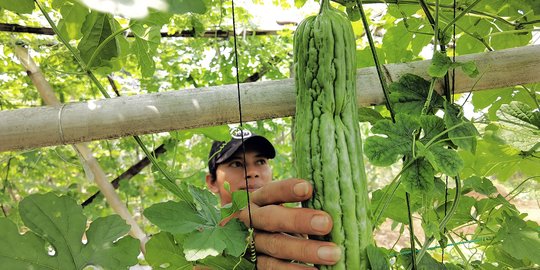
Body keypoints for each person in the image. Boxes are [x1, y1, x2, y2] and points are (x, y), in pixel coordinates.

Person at [205, 131, 341, 270]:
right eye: (236, 164)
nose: (252, 172)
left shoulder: (298, 230)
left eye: (260, 161)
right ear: (212, 182)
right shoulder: (199, 252)